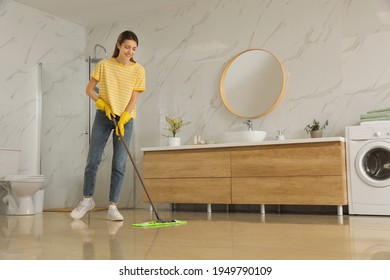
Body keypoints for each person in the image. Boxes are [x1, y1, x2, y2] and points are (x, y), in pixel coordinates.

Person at [70, 30, 146, 221]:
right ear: (119, 45)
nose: (130, 52)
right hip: (104, 116)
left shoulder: (139, 70)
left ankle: (113, 206)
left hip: (125, 120)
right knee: (93, 159)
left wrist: (125, 117)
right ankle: (87, 200)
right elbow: (89, 89)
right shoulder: (104, 65)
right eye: (127, 47)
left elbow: (134, 97)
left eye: (134, 49)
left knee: (119, 163)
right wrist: (102, 103)